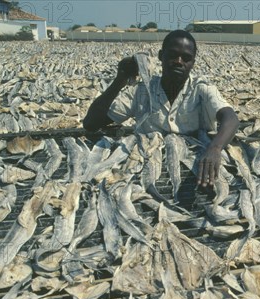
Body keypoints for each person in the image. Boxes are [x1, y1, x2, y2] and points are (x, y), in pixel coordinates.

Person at [83, 30, 239, 187]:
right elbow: (91, 123)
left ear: (193, 63)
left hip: (196, 172)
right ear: (160, 56)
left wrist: (215, 148)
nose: (179, 61)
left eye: (186, 58)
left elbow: (230, 118)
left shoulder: (201, 90)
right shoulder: (141, 91)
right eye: (173, 55)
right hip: (144, 172)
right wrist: (120, 79)